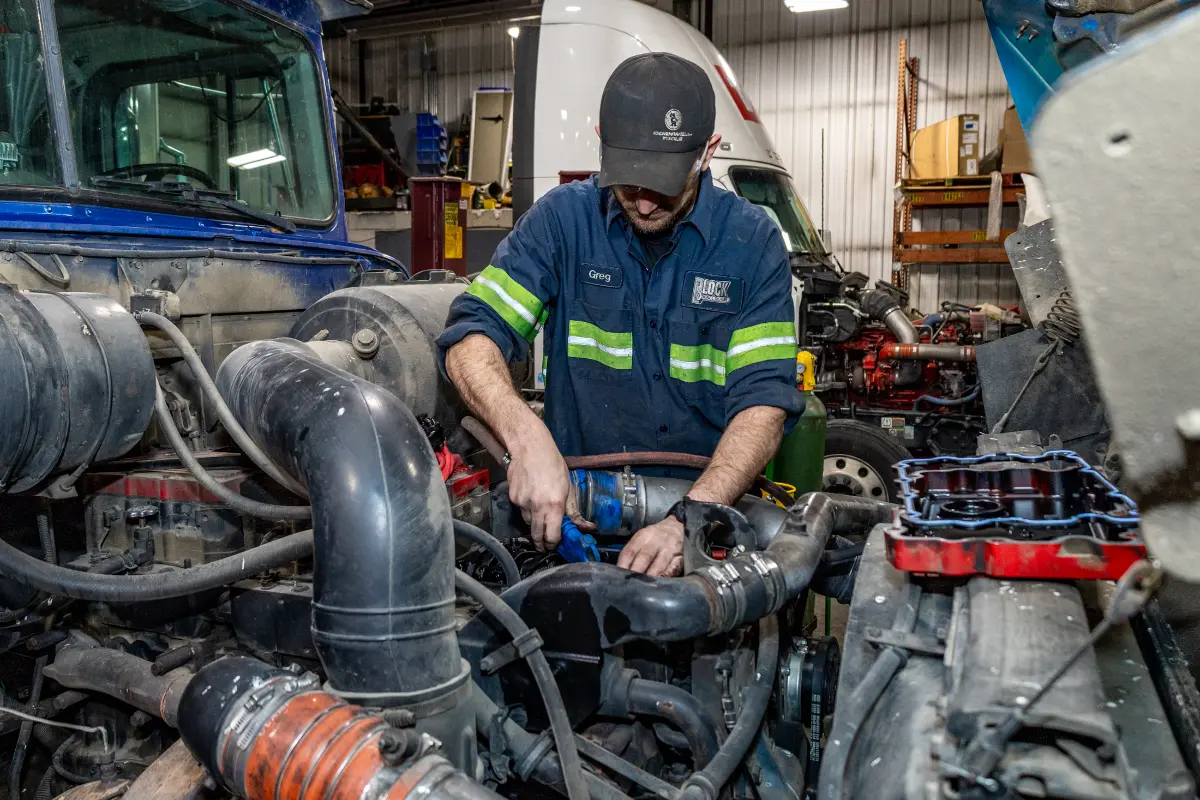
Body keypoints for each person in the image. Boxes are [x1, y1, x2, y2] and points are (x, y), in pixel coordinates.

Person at [437, 52, 803, 577]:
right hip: (572, 528)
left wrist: (689, 522)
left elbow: (764, 403)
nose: (646, 204)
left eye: (663, 184)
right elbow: (472, 337)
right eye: (631, 181)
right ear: (601, 140)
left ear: (707, 153)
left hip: (700, 524)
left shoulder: (751, 243)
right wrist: (525, 437)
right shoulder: (563, 222)